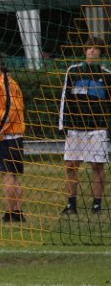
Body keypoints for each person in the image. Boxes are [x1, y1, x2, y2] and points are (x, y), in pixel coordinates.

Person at [58, 37, 111, 216]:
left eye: (96, 48)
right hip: (75, 128)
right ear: (85, 51)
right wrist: (63, 126)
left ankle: (96, 205)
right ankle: (71, 204)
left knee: (97, 166)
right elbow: (65, 99)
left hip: (98, 128)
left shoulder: (107, 75)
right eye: (89, 47)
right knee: (71, 166)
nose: (92, 51)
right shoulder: (73, 71)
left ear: (101, 53)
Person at [0, 52, 26, 222]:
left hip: (7, 136)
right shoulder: (6, 83)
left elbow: (12, 108)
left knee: (7, 175)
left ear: (1, 67)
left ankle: (9, 214)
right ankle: (17, 213)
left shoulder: (4, 84)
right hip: (13, 135)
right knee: (13, 176)